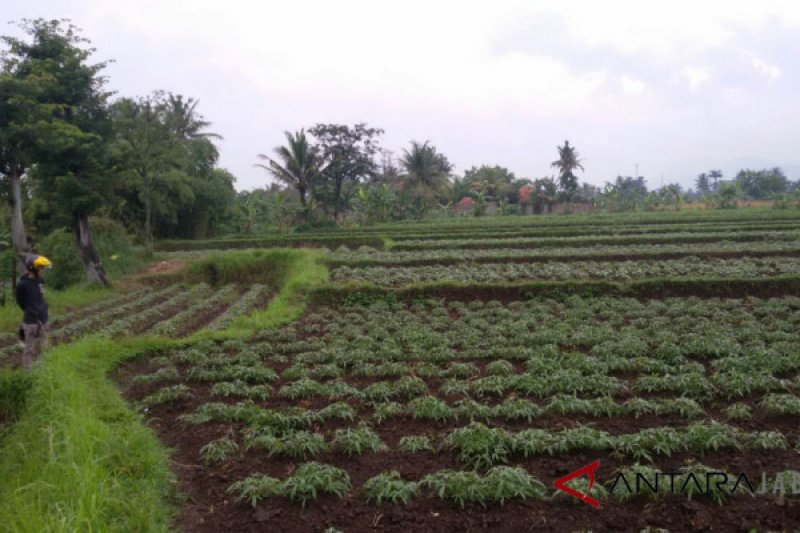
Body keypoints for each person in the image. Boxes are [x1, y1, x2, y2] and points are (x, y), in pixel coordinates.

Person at [15, 254, 52, 372]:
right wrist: (31, 311)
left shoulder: (41, 281)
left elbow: (41, 297)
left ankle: (41, 370)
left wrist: (43, 309)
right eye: (41, 268)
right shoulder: (22, 285)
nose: (43, 270)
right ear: (33, 268)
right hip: (30, 321)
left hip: (43, 319)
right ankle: (28, 374)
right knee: (28, 350)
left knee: (43, 348)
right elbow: (20, 302)